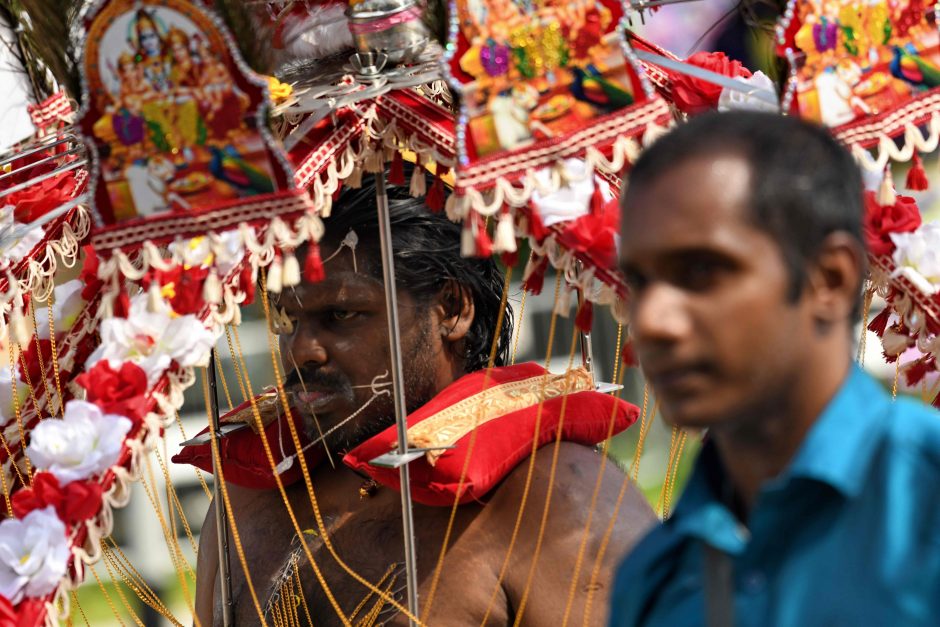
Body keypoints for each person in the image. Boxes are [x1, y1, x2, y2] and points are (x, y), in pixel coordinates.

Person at [192, 173, 655, 626]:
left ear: (452, 310)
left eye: (342, 314)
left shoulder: (555, 497)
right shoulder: (248, 495)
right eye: (289, 321)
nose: (302, 350)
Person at [609, 112, 940, 627]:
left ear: (829, 279)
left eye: (701, 271)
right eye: (639, 282)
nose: (652, 322)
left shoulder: (922, 502)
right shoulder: (655, 578)